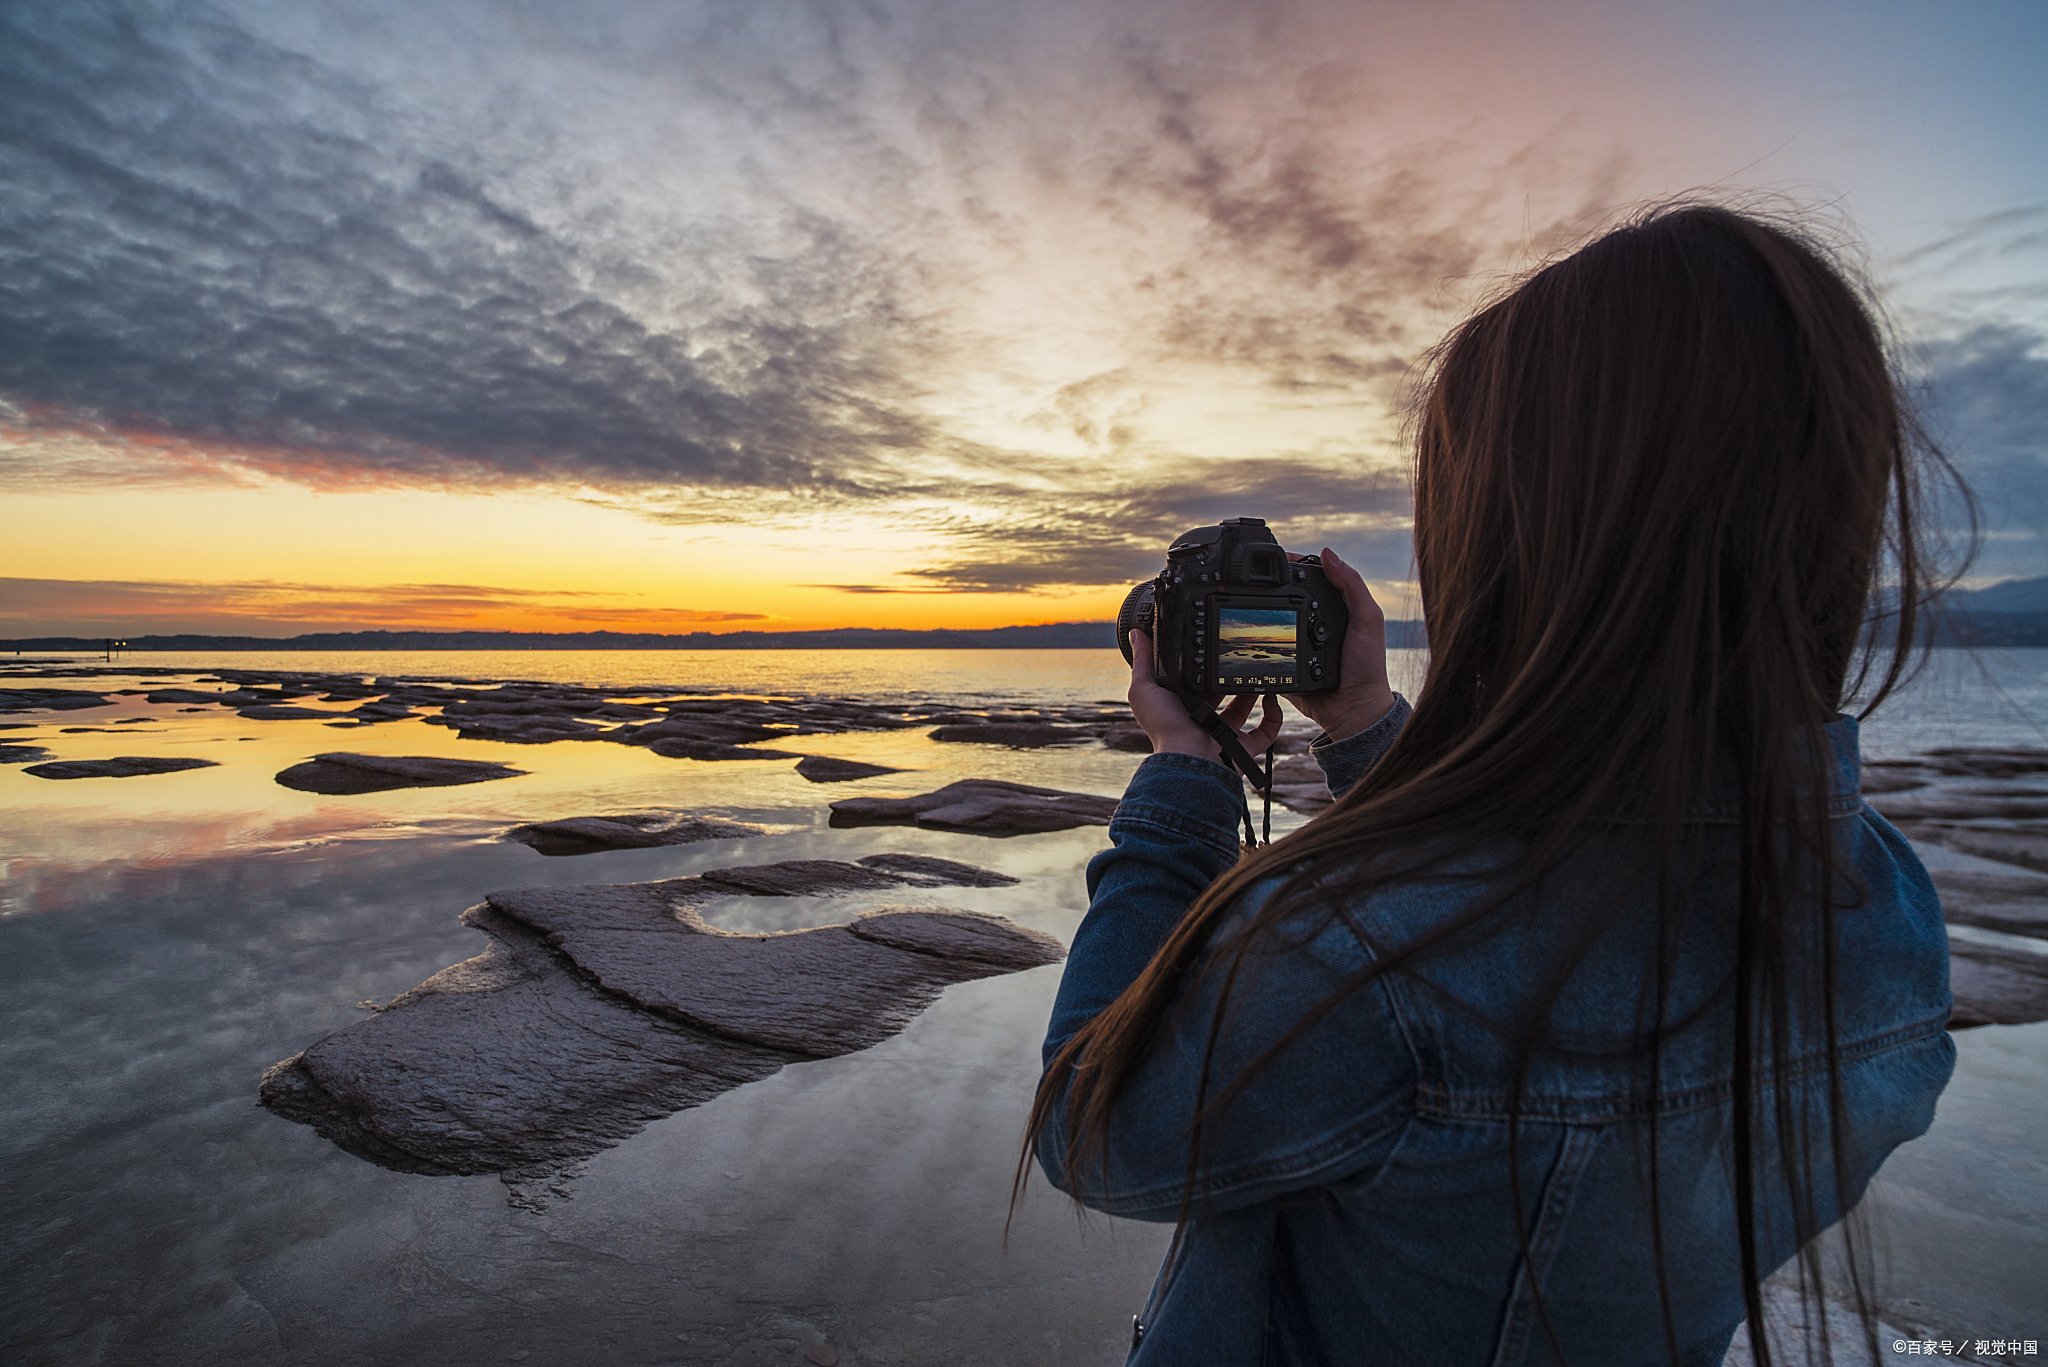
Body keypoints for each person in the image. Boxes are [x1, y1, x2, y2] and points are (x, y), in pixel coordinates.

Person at [1016, 203, 1964, 1366]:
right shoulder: (1883, 906)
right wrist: (1364, 721)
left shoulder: (1365, 951)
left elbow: (1092, 1127)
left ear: (1516, 539)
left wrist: (1181, 779)